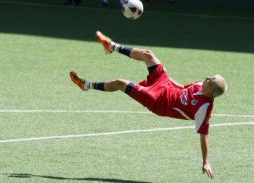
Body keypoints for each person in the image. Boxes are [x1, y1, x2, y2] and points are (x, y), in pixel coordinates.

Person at [70, 31, 227, 179]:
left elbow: (204, 135)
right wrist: (164, 75)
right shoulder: (201, 84)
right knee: (148, 55)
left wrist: (205, 161)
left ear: (211, 89)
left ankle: (86, 85)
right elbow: (182, 88)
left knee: (121, 83)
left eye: (210, 79)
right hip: (165, 85)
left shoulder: (204, 108)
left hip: (157, 101)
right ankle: (111, 46)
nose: (207, 77)